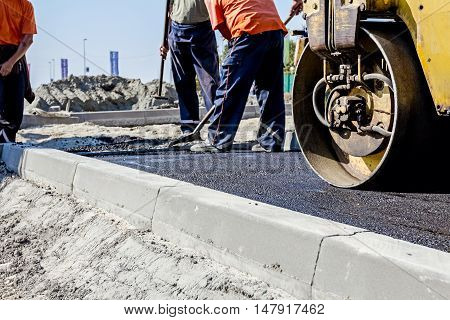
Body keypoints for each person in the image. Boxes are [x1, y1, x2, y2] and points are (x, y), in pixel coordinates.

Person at [190, 0, 291, 153]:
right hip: (275, 30)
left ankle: (218, 139)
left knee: (230, 88)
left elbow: (221, 25)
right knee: (270, 90)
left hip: (248, 29)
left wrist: (234, 44)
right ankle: (271, 142)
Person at [160, 0, 220, 136]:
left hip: (203, 29)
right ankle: (189, 129)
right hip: (177, 30)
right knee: (183, 83)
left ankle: (218, 130)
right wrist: (165, 39)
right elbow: (169, 9)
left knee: (210, 84)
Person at [0, 0, 37, 143]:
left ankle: (6, 138)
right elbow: (27, 40)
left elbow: (28, 40)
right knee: (14, 109)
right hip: (16, 57)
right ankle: (7, 137)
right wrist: (11, 63)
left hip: (14, 58)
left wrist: (9, 63)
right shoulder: (25, 5)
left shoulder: (25, 5)